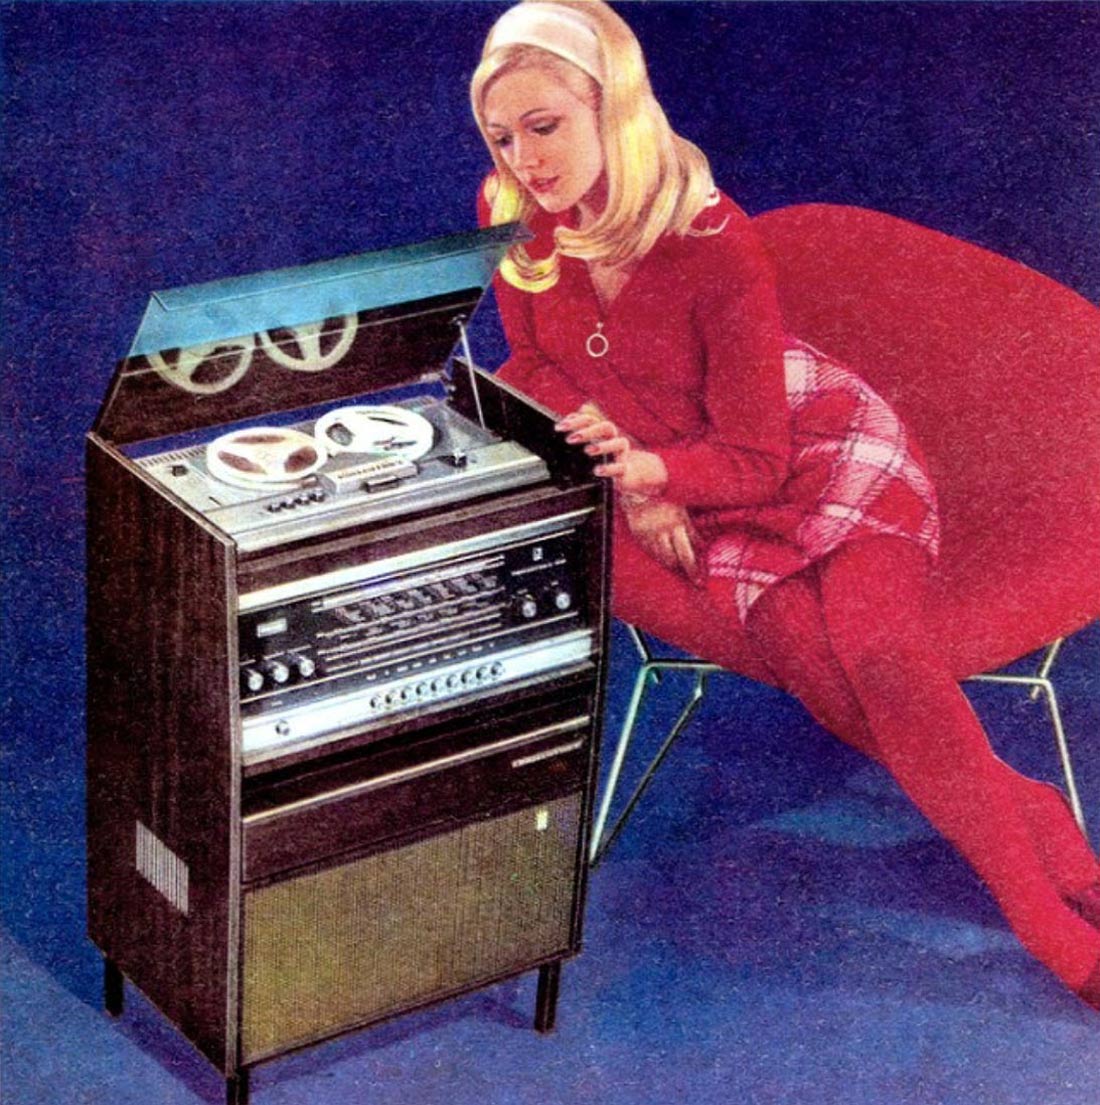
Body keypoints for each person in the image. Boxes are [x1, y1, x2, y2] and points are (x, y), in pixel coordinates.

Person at [470, 0, 1100, 1006]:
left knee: (880, 652)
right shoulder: (512, 209)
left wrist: (653, 477)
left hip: (809, 450)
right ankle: (1037, 820)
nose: (525, 160)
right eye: (502, 136)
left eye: (544, 126)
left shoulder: (708, 239)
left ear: (611, 105)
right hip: (683, 482)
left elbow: (757, 460)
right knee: (822, 671)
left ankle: (1045, 925)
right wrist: (635, 478)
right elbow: (539, 364)